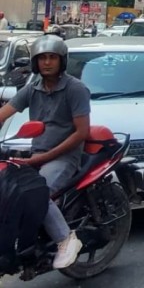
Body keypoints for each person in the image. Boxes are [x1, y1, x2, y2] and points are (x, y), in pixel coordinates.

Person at [0, 35, 89, 269]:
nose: (47, 63)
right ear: (35, 62)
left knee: (36, 193)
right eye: (42, 58)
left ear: (62, 61)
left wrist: (44, 158)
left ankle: (66, 239)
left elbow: (81, 133)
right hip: (36, 154)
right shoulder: (32, 89)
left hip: (63, 157)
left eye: (52, 58)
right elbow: (4, 113)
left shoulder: (75, 89)